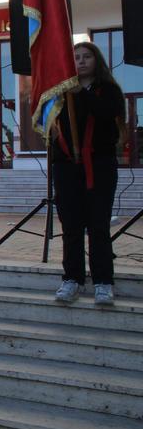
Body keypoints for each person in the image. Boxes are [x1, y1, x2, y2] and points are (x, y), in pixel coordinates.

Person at [52, 42, 125, 306]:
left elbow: (106, 114)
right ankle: (72, 278)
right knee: (71, 226)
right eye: (76, 57)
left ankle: (103, 281)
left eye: (86, 57)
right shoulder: (60, 93)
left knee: (98, 226)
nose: (81, 61)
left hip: (99, 165)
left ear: (97, 61)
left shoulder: (109, 90)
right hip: (67, 167)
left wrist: (80, 93)